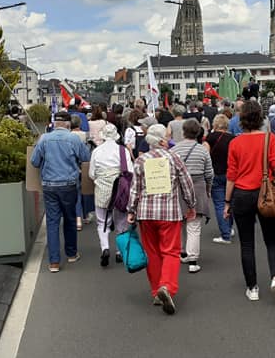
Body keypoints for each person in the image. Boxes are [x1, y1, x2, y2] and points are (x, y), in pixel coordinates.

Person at [224, 100, 275, 304]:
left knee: (246, 243)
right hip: (266, 192)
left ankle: (252, 287)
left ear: (241, 120)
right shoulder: (269, 139)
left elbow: (231, 176)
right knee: (272, 240)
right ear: (262, 118)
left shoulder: (235, 143)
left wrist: (227, 202)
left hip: (242, 194)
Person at [127, 124, 196, 315]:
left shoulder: (141, 160)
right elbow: (186, 183)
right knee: (171, 252)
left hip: (146, 213)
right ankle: (167, 286)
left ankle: (156, 291)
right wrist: (191, 204)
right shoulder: (174, 158)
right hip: (169, 213)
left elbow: (135, 188)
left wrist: (131, 210)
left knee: (152, 252)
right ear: (162, 140)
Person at [31, 111, 91, 272]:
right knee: (70, 219)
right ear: (68, 124)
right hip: (69, 184)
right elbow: (86, 157)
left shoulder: (44, 139)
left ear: (54, 123)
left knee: (52, 222)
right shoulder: (74, 139)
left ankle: (54, 262)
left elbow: (34, 161)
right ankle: (71, 254)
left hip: (49, 185)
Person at [171, 119, 214, 274]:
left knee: (181, 222)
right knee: (194, 225)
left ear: (183, 132)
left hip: (179, 188)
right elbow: (209, 173)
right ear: (198, 132)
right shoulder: (202, 150)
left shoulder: (175, 150)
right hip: (198, 187)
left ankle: (182, 252)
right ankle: (193, 259)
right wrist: (208, 189)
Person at [89, 123, 132, 267]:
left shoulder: (97, 151)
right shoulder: (122, 151)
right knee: (121, 221)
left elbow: (91, 174)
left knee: (102, 222)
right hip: (120, 189)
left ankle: (105, 248)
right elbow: (129, 171)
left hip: (102, 189)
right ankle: (119, 251)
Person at [206, 114, 235, 244]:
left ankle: (225, 234)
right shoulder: (233, 139)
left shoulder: (210, 138)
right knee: (229, 201)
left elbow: (206, 156)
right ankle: (229, 227)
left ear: (215, 124)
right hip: (230, 174)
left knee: (219, 204)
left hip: (215, 173)